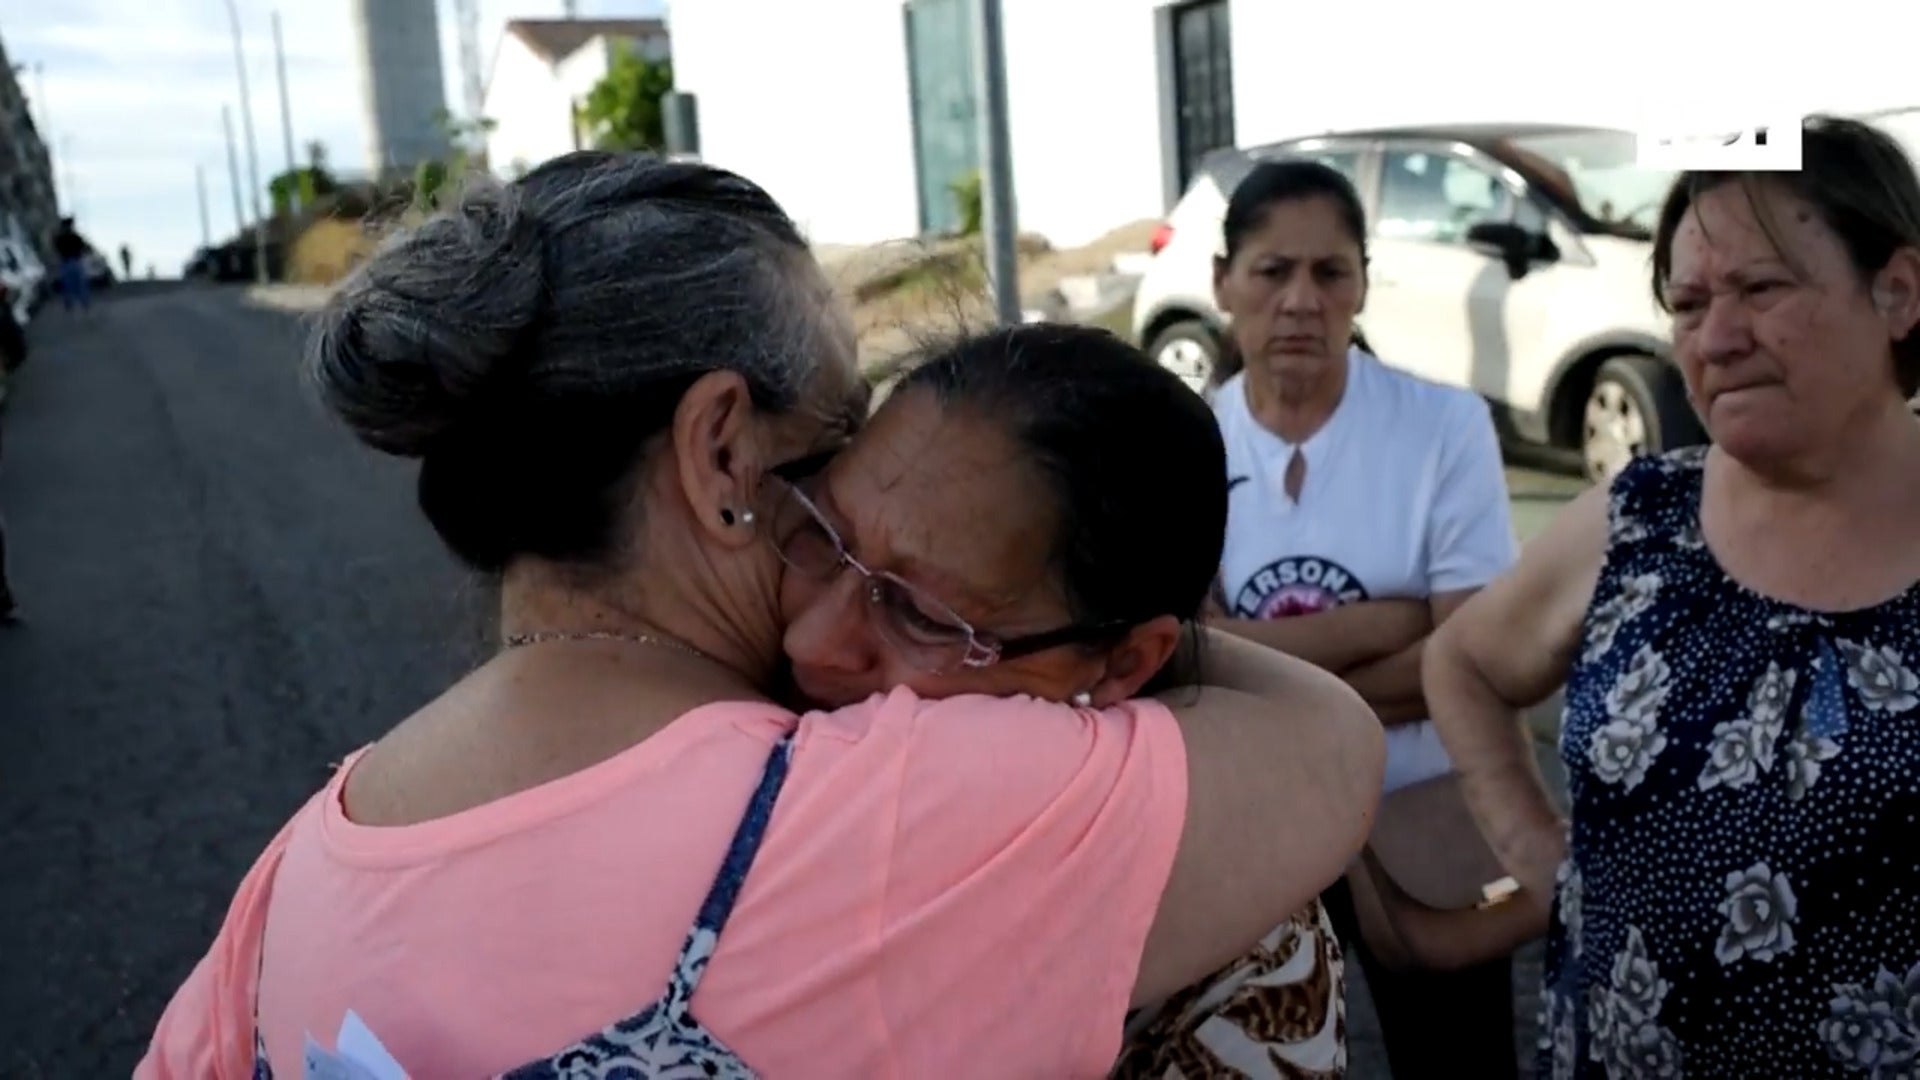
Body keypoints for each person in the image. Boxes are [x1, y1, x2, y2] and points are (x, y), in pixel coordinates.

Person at [137, 153, 1384, 1079]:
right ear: (724, 451)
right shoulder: (876, 818)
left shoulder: (293, 874)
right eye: (831, 455)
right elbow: (1330, 748)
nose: (816, 632)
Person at [1424, 114, 1920, 1078]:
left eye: (1761, 289)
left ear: (1898, 290)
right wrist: (1536, 849)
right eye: (1688, 306)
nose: (1718, 337)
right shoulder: (1642, 517)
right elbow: (1465, 662)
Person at [1197, 159, 1527, 1078]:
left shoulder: (1443, 429)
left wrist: (1248, 659)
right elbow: (1182, 663)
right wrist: (1395, 621)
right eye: (1273, 271)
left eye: (1330, 273)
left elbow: (1479, 653)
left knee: (1456, 1060)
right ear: (1224, 282)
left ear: (1362, 286)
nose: (1302, 300)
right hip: (1257, 836)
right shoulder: (1184, 445)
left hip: (1423, 822)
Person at [51, 218, 90, 314]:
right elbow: (84, 247)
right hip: (75, 262)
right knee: (79, 284)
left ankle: (70, 303)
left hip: (66, 263)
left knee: (69, 285)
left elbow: (56, 248)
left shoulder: (60, 237)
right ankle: (83, 303)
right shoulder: (75, 236)